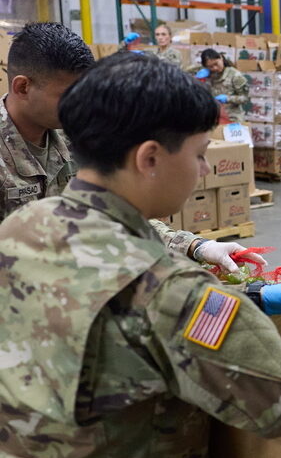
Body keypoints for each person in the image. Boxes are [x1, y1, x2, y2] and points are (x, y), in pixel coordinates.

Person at [0, 52, 281, 458]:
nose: (204, 171)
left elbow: (122, 332)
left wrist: (249, 299)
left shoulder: (22, 228)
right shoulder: (170, 289)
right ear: (149, 158)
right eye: (199, 154)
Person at [1, 22, 259, 274]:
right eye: (68, 94)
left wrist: (195, 246)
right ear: (23, 87)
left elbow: (113, 210)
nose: (79, 103)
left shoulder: (73, 134)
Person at [196, 48, 249, 123]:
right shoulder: (207, 75)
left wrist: (228, 99)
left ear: (221, 58)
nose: (215, 68)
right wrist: (197, 78)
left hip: (232, 117)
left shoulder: (235, 75)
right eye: (210, 66)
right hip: (213, 117)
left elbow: (245, 98)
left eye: (216, 64)